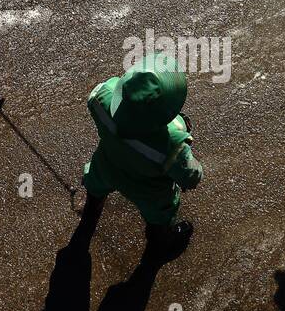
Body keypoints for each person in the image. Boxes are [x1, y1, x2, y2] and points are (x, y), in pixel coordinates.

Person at [81, 54, 203, 258]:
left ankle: (90, 215)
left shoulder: (102, 98)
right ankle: (159, 244)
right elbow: (190, 175)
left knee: (95, 186)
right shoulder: (172, 142)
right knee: (159, 215)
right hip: (148, 191)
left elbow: (95, 95)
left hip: (106, 165)